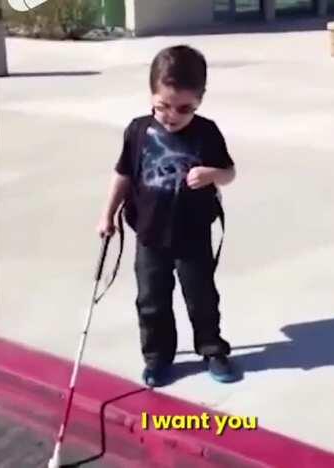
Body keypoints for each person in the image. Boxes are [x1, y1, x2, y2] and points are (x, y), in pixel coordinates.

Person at [97, 45, 236, 387]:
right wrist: (107, 214)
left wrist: (211, 175)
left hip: (193, 233)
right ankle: (158, 357)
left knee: (201, 295)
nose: (172, 115)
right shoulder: (138, 131)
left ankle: (211, 348)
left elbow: (229, 172)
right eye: (163, 106)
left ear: (200, 100)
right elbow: (124, 174)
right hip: (149, 233)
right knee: (151, 300)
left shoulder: (207, 132)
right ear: (151, 95)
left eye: (184, 108)